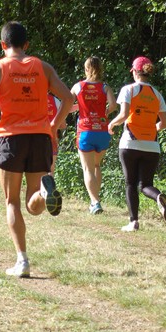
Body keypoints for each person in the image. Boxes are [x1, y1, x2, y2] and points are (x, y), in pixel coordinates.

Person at [0, 21, 73, 277]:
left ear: (2, 44)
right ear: (27, 44)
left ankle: (23, 261)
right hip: (40, 137)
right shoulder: (43, 67)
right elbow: (69, 98)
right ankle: (43, 190)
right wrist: (53, 125)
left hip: (11, 138)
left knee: (12, 202)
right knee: (34, 205)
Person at [108, 56, 166, 231]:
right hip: (152, 146)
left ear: (135, 72)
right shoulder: (157, 94)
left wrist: (111, 123)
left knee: (130, 183)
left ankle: (133, 222)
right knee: (145, 185)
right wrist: (152, 129)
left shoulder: (128, 89)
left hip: (130, 143)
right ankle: (159, 196)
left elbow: (123, 115)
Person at [71, 56, 117, 215]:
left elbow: (68, 104)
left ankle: (94, 201)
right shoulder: (105, 87)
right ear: (101, 69)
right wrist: (104, 113)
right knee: (97, 166)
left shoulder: (78, 86)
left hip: (85, 131)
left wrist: (79, 108)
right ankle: (96, 199)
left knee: (87, 168)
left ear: (86, 69)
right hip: (103, 131)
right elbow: (113, 105)